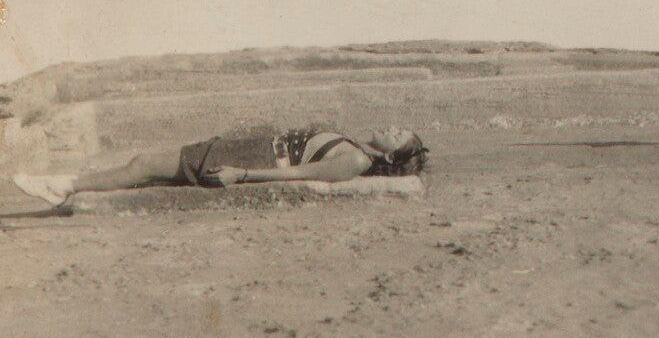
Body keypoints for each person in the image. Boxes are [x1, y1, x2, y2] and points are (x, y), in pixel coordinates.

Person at [12, 125, 429, 207]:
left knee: (144, 164)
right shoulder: (356, 146)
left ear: (391, 156)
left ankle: (64, 185)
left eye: (398, 135)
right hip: (253, 147)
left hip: (252, 160)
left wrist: (242, 174)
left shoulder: (355, 159)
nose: (391, 127)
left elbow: (298, 174)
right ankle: (69, 186)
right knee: (148, 169)